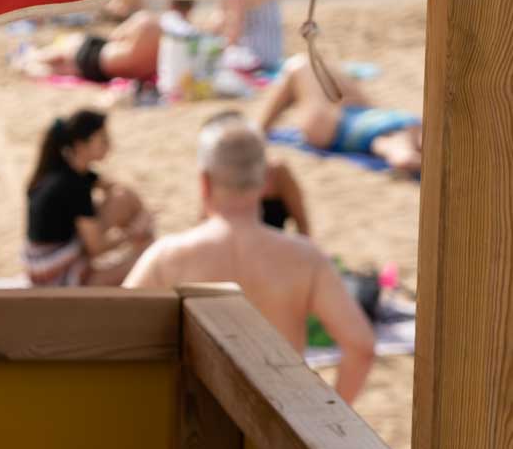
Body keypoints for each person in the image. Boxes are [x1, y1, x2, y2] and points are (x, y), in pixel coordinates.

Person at [124, 112, 374, 403]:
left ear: (204, 182)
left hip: (194, 422)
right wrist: (333, 413)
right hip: (282, 418)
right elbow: (361, 346)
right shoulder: (305, 258)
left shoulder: (169, 256)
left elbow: (114, 332)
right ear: (266, 182)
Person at [23, 109, 153, 286]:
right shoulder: (72, 185)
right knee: (145, 264)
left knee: (122, 197)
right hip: (52, 273)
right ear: (81, 144)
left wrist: (140, 216)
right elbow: (97, 248)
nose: (109, 146)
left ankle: (145, 246)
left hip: (50, 259)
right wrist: (131, 232)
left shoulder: (69, 171)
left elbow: (118, 190)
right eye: (103, 140)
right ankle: (146, 249)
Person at [257, 53, 422, 174]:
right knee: (317, 63)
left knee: (299, 67)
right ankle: (259, 128)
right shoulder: (417, 131)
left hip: (332, 128)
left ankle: (259, 129)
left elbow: (403, 159)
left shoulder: (396, 139)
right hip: (357, 111)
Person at [21, 2, 191, 84]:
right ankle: (32, 60)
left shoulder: (147, 20)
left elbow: (116, 36)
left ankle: (30, 56)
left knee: (67, 49)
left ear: (170, 4)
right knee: (61, 67)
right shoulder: (183, 39)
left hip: (100, 56)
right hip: (106, 71)